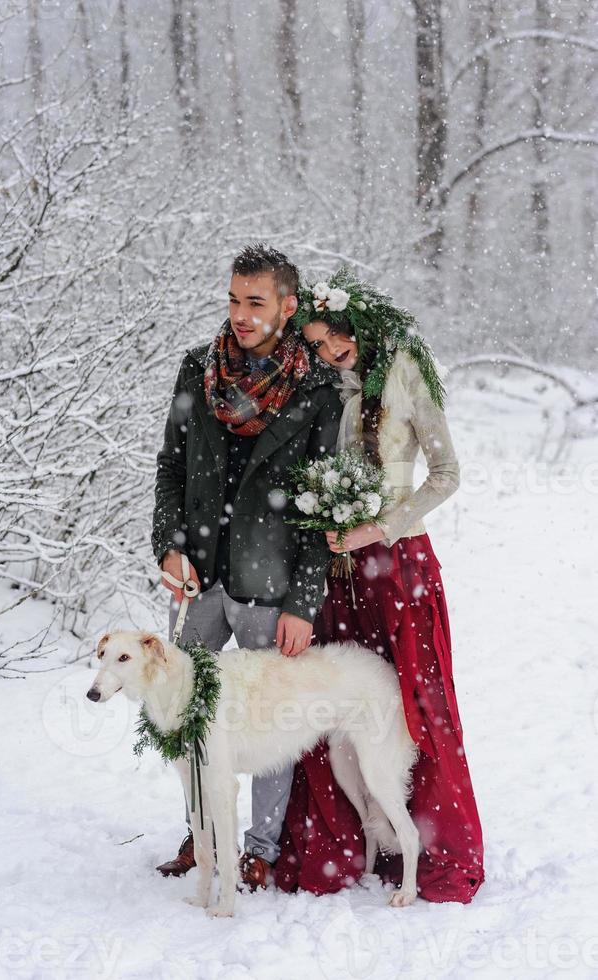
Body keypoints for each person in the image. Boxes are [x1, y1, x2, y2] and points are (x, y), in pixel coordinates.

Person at [274, 269, 485, 903]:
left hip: (396, 570)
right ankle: (342, 842)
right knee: (335, 704)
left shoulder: (405, 373)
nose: (330, 355)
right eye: (316, 346)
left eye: (335, 342)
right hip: (335, 577)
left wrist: (380, 527)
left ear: (356, 326)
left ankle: (431, 843)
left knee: (415, 706)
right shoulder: (314, 385)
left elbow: (446, 475)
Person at [151, 243, 342, 889]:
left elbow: (323, 503)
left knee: (267, 722)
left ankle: (258, 849)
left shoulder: (316, 388)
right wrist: (168, 544)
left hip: (272, 581)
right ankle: (200, 837)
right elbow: (172, 465)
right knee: (187, 711)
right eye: (234, 299)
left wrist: (304, 602)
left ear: (287, 308)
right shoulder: (197, 368)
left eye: (255, 302)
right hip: (199, 572)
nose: (240, 313)